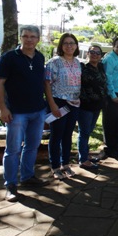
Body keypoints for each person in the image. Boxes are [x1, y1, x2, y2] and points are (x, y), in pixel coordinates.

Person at [0, 25, 49, 202]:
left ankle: (27, 176)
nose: (29, 40)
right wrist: (3, 108)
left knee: (32, 146)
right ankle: (10, 184)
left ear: (38, 39)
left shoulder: (40, 57)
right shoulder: (9, 57)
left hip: (38, 111)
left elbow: (42, 82)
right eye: (25, 36)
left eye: (33, 37)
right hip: (16, 113)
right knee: (13, 150)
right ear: (20, 38)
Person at [45, 33, 81, 180]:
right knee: (56, 135)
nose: (69, 46)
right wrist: (52, 104)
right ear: (61, 45)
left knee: (68, 135)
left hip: (74, 104)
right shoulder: (54, 62)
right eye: (66, 43)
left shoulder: (78, 62)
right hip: (58, 102)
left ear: (76, 45)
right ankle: (55, 166)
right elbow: (46, 83)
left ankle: (65, 164)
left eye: (72, 43)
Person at [77, 45, 107, 170]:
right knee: (84, 132)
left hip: (97, 106)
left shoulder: (100, 67)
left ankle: (85, 155)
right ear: (87, 53)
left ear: (101, 55)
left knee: (88, 132)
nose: (94, 54)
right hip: (85, 106)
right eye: (92, 52)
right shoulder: (82, 68)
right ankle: (83, 160)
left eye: (97, 53)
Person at [102, 37, 118, 158]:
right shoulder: (109, 59)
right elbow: (108, 78)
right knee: (110, 123)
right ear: (113, 46)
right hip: (111, 96)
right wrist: (112, 95)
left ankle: (116, 145)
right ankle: (110, 148)